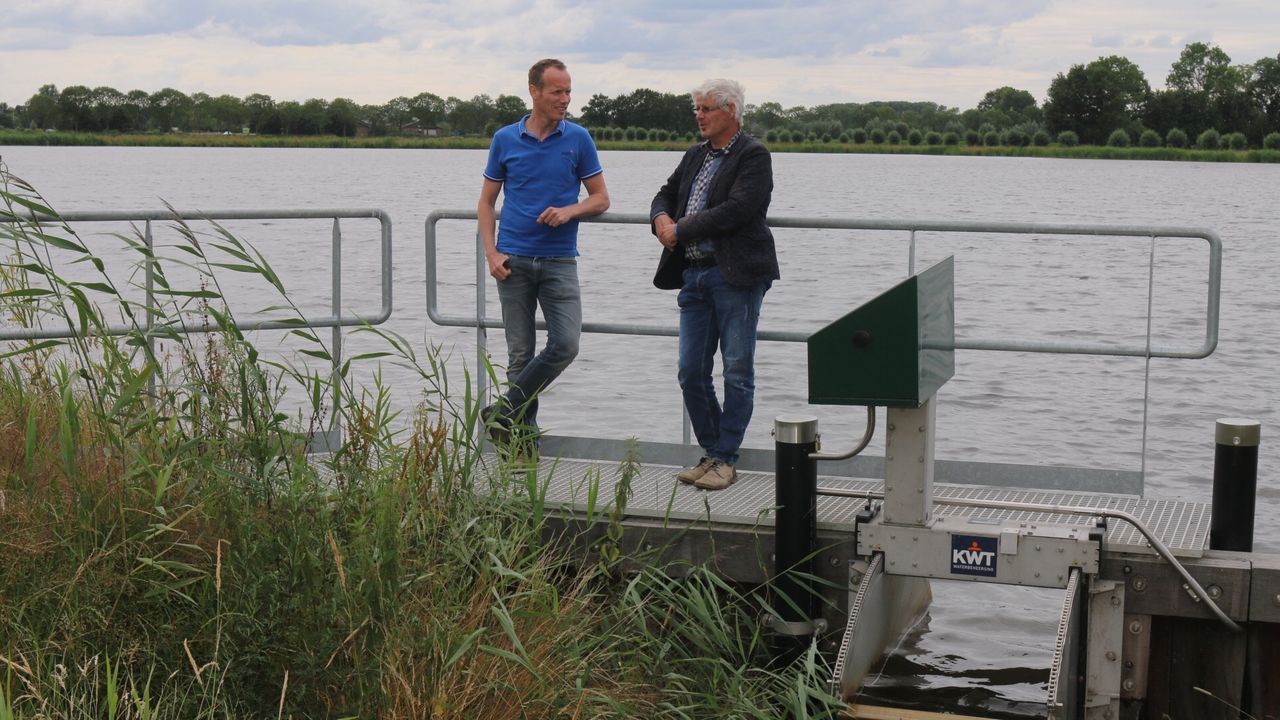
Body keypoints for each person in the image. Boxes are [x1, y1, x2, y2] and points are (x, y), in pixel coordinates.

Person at [649, 78, 779, 491]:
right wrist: (661, 221)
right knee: (691, 372)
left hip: (735, 275)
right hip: (693, 273)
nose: (699, 116)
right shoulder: (695, 156)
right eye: (697, 109)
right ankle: (712, 454)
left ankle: (725, 457)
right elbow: (664, 194)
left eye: (706, 109)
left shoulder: (753, 155)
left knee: (737, 370)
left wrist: (680, 228)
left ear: (731, 112)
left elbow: (738, 209)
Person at [478, 58, 610, 453]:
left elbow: (601, 198)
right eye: (557, 91)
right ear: (534, 91)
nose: (565, 99)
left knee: (566, 344)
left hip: (559, 261)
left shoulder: (578, 139)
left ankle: (501, 411)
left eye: (568, 91)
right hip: (512, 261)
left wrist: (570, 210)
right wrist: (491, 252)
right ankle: (522, 445)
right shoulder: (505, 138)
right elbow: (486, 203)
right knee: (519, 356)